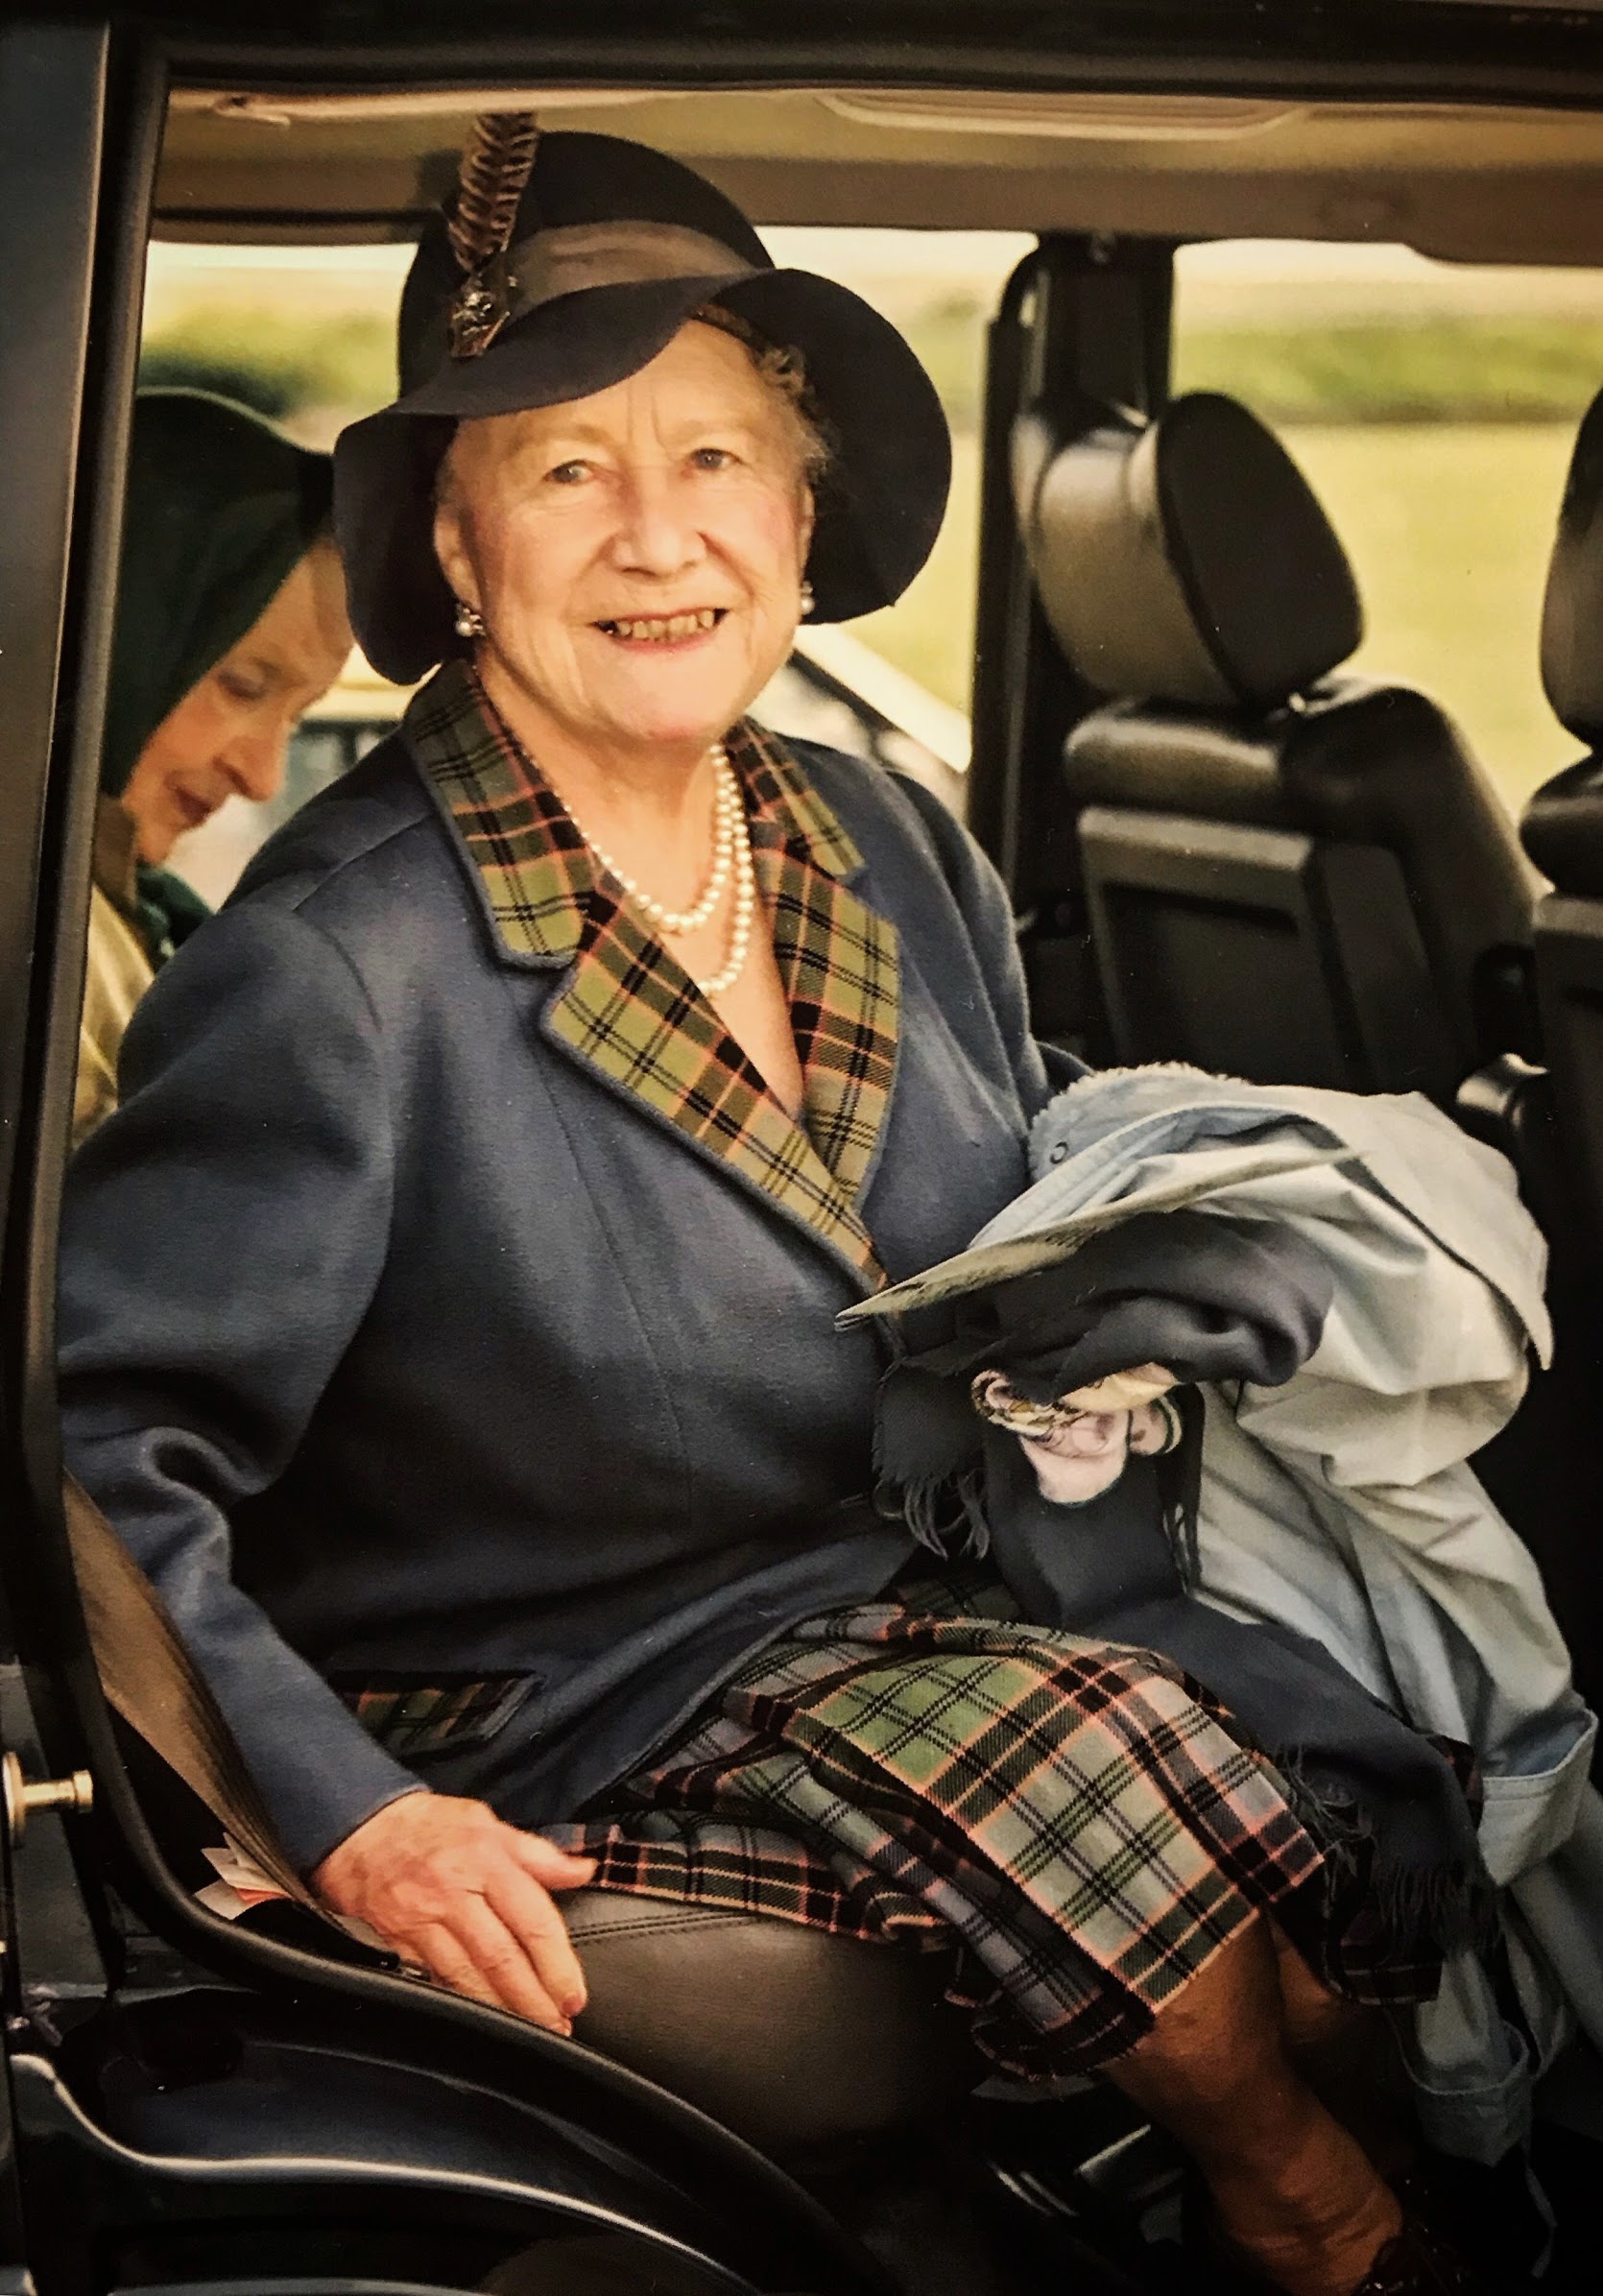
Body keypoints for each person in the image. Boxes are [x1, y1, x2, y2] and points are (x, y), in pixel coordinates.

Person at [59, 128, 1482, 2296]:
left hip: (877, 1602)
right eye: (561, 471)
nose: (657, 536)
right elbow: (89, 1441)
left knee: (1330, 1793)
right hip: (537, 1681)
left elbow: (979, 1195)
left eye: (713, 456)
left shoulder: (876, 831)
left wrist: (1191, 1248)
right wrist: (347, 1808)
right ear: (450, 541)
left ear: (796, 523)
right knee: (1117, 1796)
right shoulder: (338, 965)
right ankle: (1328, 2227)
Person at [75, 389, 351, 1147]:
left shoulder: (120, 911)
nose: (263, 776)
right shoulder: (52, 938)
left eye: (295, 718)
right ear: (119, 622)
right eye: (242, 686)